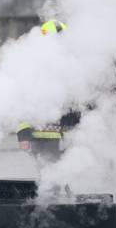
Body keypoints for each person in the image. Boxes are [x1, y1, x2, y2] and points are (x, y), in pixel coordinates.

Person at [16, 19, 77, 163]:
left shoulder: (73, 64)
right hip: (41, 139)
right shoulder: (33, 67)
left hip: (67, 137)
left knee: (69, 176)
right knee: (51, 178)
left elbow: (79, 100)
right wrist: (23, 135)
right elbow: (21, 102)